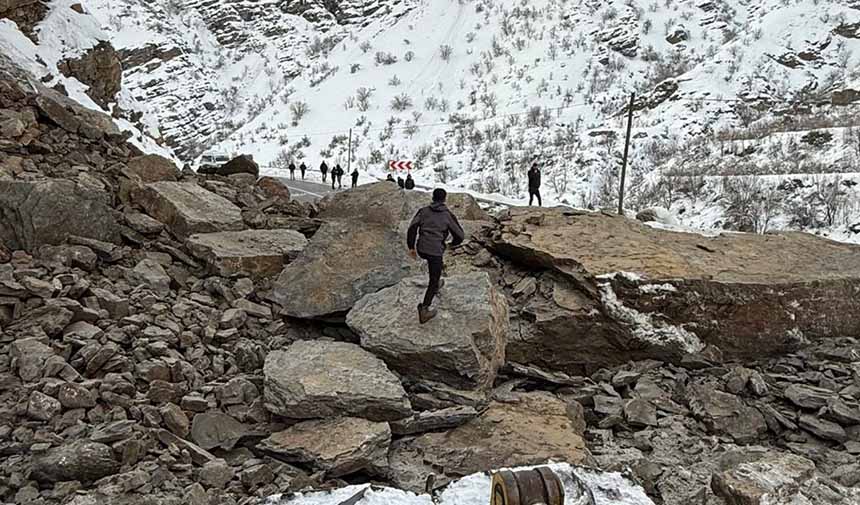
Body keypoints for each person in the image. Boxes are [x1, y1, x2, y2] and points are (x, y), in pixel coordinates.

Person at [407, 188, 465, 324]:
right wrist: (452, 244)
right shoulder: (448, 215)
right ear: (444, 199)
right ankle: (424, 310)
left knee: (434, 263)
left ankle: (436, 281)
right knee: (434, 278)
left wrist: (411, 247)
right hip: (435, 251)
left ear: (432, 198)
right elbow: (460, 236)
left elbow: (412, 228)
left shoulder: (423, 211)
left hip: (421, 249)